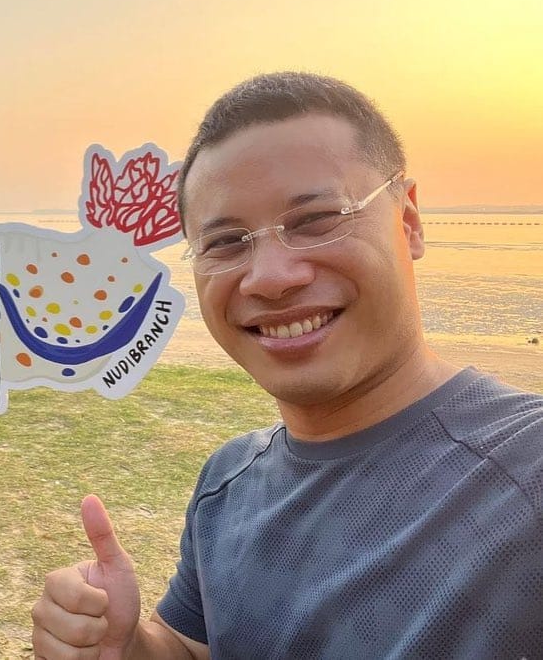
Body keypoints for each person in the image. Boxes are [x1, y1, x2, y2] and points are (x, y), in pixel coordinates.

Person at [31, 72, 543, 657]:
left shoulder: (526, 470)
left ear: (409, 222)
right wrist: (127, 647)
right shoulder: (228, 484)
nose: (271, 277)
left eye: (316, 220)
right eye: (226, 242)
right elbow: (195, 647)